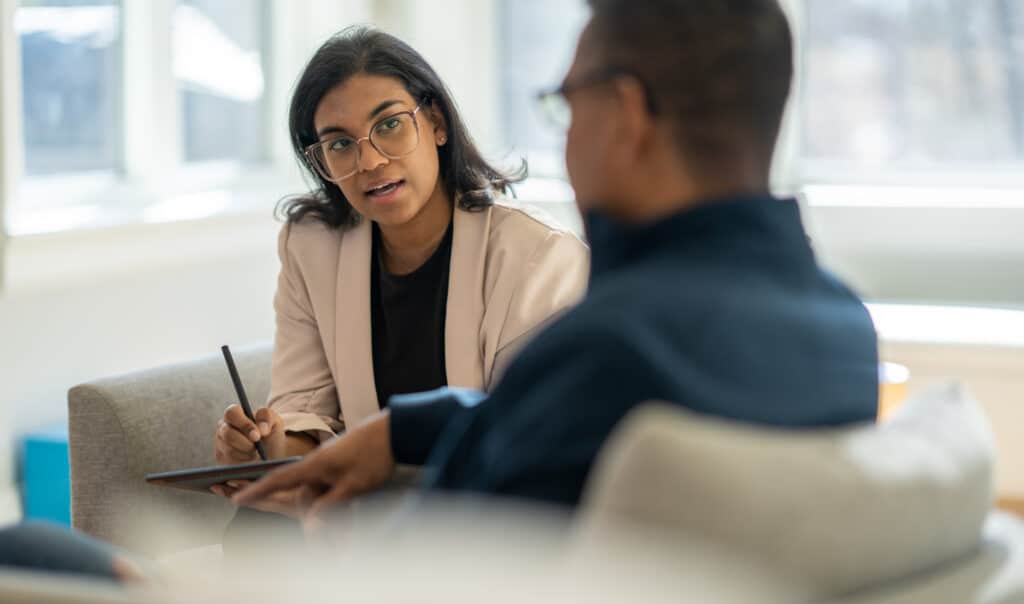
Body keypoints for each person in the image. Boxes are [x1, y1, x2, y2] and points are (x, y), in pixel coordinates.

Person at [235, 0, 880, 520]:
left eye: (568, 104)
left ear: (624, 116)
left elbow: (451, 563)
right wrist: (406, 431)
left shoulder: (607, 351)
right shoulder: (844, 330)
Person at [211, 28, 589, 517]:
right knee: (258, 520)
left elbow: (520, 441)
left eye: (389, 125)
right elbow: (306, 415)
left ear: (436, 123)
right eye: (339, 144)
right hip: (366, 507)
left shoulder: (538, 255)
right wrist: (267, 446)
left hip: (477, 509)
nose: (368, 160)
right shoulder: (311, 246)